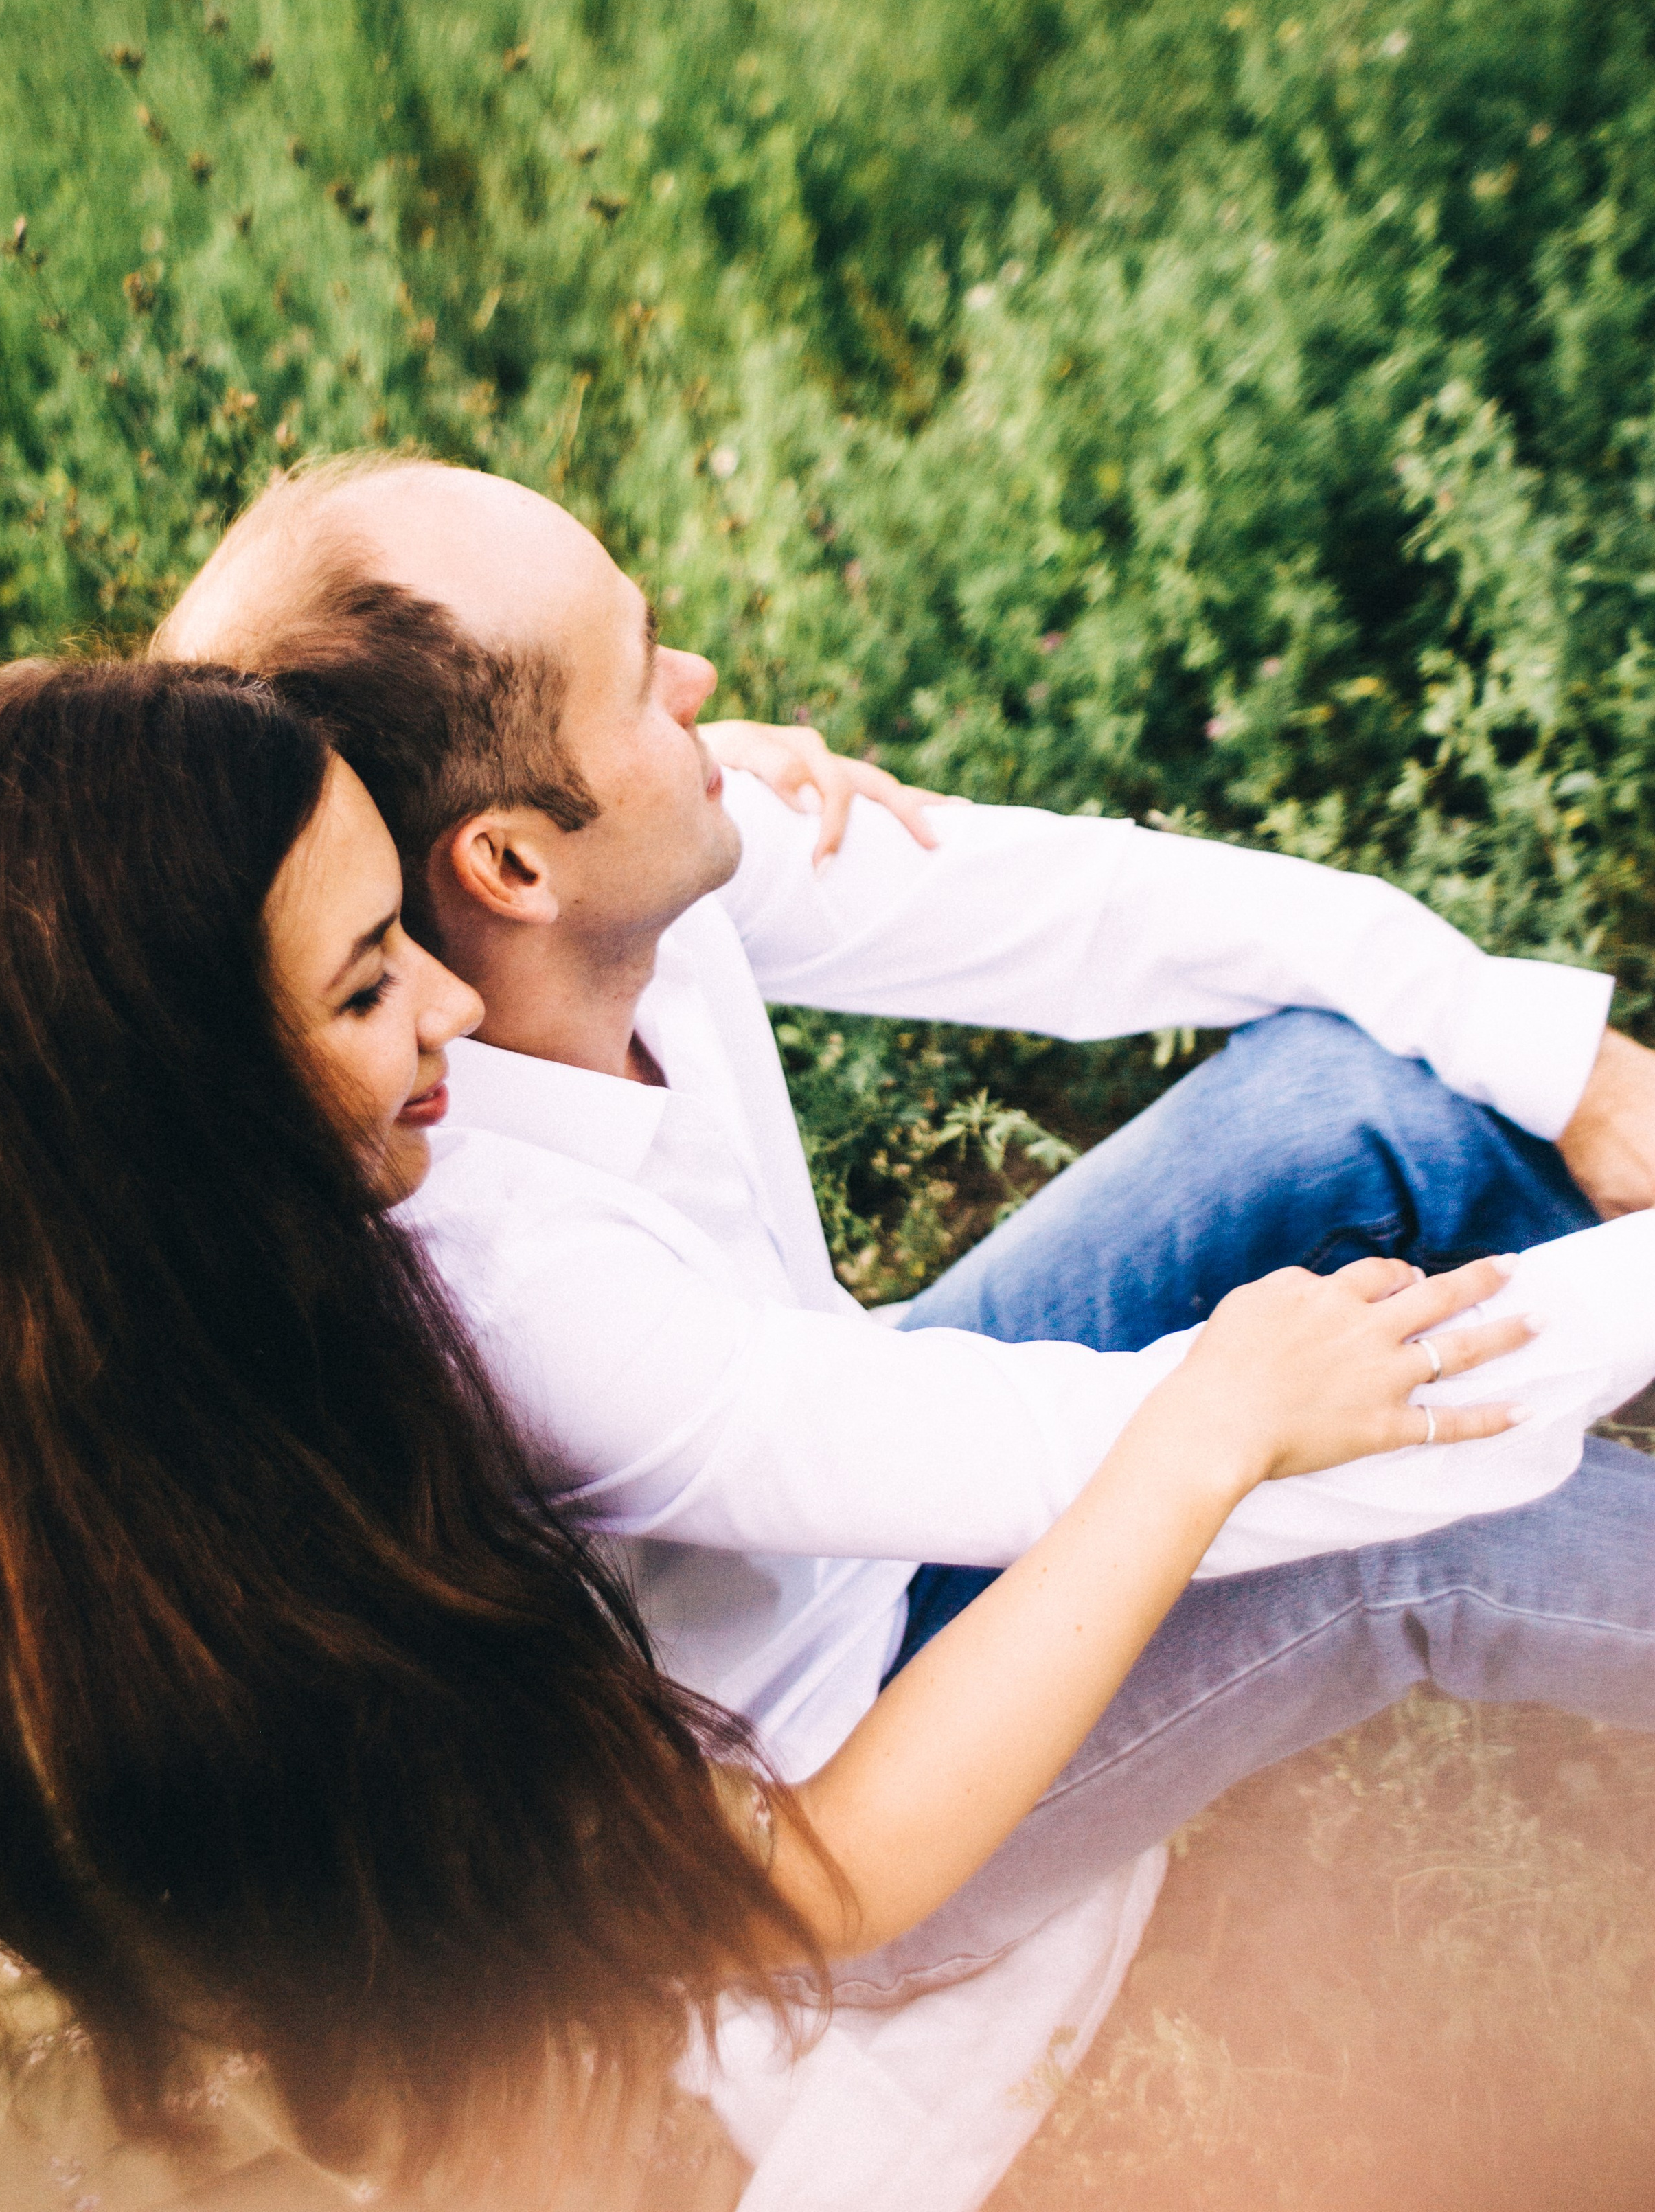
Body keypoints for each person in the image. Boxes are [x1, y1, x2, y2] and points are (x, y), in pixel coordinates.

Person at [0, 654, 1564, 2211]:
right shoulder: (258, 1609)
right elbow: (804, 1885)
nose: (453, 1011)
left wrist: (634, 788)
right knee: (1402, 1536)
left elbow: (181, 781)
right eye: (363, 986)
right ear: (183, 1120)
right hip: (730, 1939)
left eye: (411, 917)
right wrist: (1201, 1441)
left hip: (791, 1646)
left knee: (1330, 1124)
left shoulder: (72, 1240)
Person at [150, 453, 1655, 1989]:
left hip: (881, 1478)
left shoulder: (612, 862)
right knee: (1421, 1521)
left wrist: (1568, 1066)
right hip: (856, 1771)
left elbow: (1089, 907)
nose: (703, 687)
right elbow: (1104, 1446)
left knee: (1344, 1091)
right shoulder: (515, 1293)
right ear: (510, 860)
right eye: (635, 674)